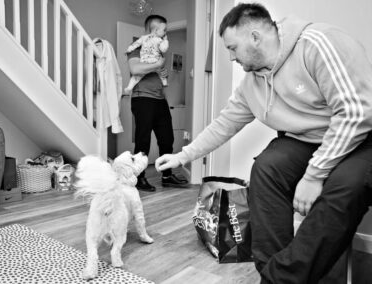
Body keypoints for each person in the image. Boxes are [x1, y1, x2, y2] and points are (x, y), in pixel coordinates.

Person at [155, 3, 372, 283]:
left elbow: (356, 113)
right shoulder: (252, 83)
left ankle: (278, 280)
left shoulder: (317, 44)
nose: (231, 57)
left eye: (232, 48)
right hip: (307, 141)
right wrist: (183, 156)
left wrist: (314, 174)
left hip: (362, 138)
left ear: (255, 37)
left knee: (343, 187)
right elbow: (224, 124)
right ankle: (274, 273)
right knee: (266, 169)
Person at [127, 14, 189, 192]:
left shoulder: (160, 50)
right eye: (164, 30)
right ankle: (139, 178)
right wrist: (158, 64)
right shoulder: (137, 46)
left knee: (167, 139)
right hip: (142, 98)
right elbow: (135, 68)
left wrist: (161, 67)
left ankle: (167, 176)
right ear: (153, 29)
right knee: (143, 142)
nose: (165, 34)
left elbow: (162, 73)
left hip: (160, 100)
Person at [124, 20, 169, 95]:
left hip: (159, 95)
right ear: (155, 30)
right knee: (137, 76)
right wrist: (166, 41)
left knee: (160, 73)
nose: (165, 33)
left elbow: (136, 43)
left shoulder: (145, 39)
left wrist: (164, 72)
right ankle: (129, 88)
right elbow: (135, 70)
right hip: (144, 95)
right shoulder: (159, 41)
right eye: (164, 30)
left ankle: (129, 87)